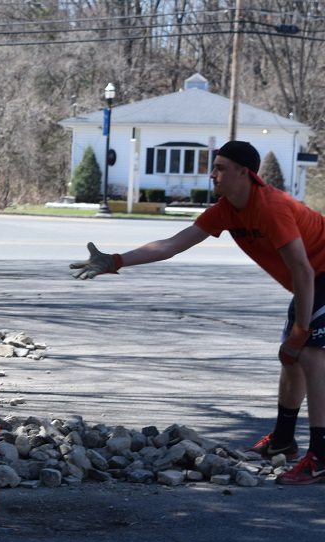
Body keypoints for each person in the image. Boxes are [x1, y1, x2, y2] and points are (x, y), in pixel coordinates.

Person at [70, 140, 325, 485]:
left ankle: (321, 456)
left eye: (220, 168)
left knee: (309, 353)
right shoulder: (226, 210)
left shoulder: (271, 208)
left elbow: (304, 271)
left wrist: (300, 330)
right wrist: (115, 260)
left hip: (317, 276)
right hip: (310, 280)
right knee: (291, 358)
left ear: (244, 173)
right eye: (213, 167)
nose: (212, 174)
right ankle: (282, 441)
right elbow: (173, 244)